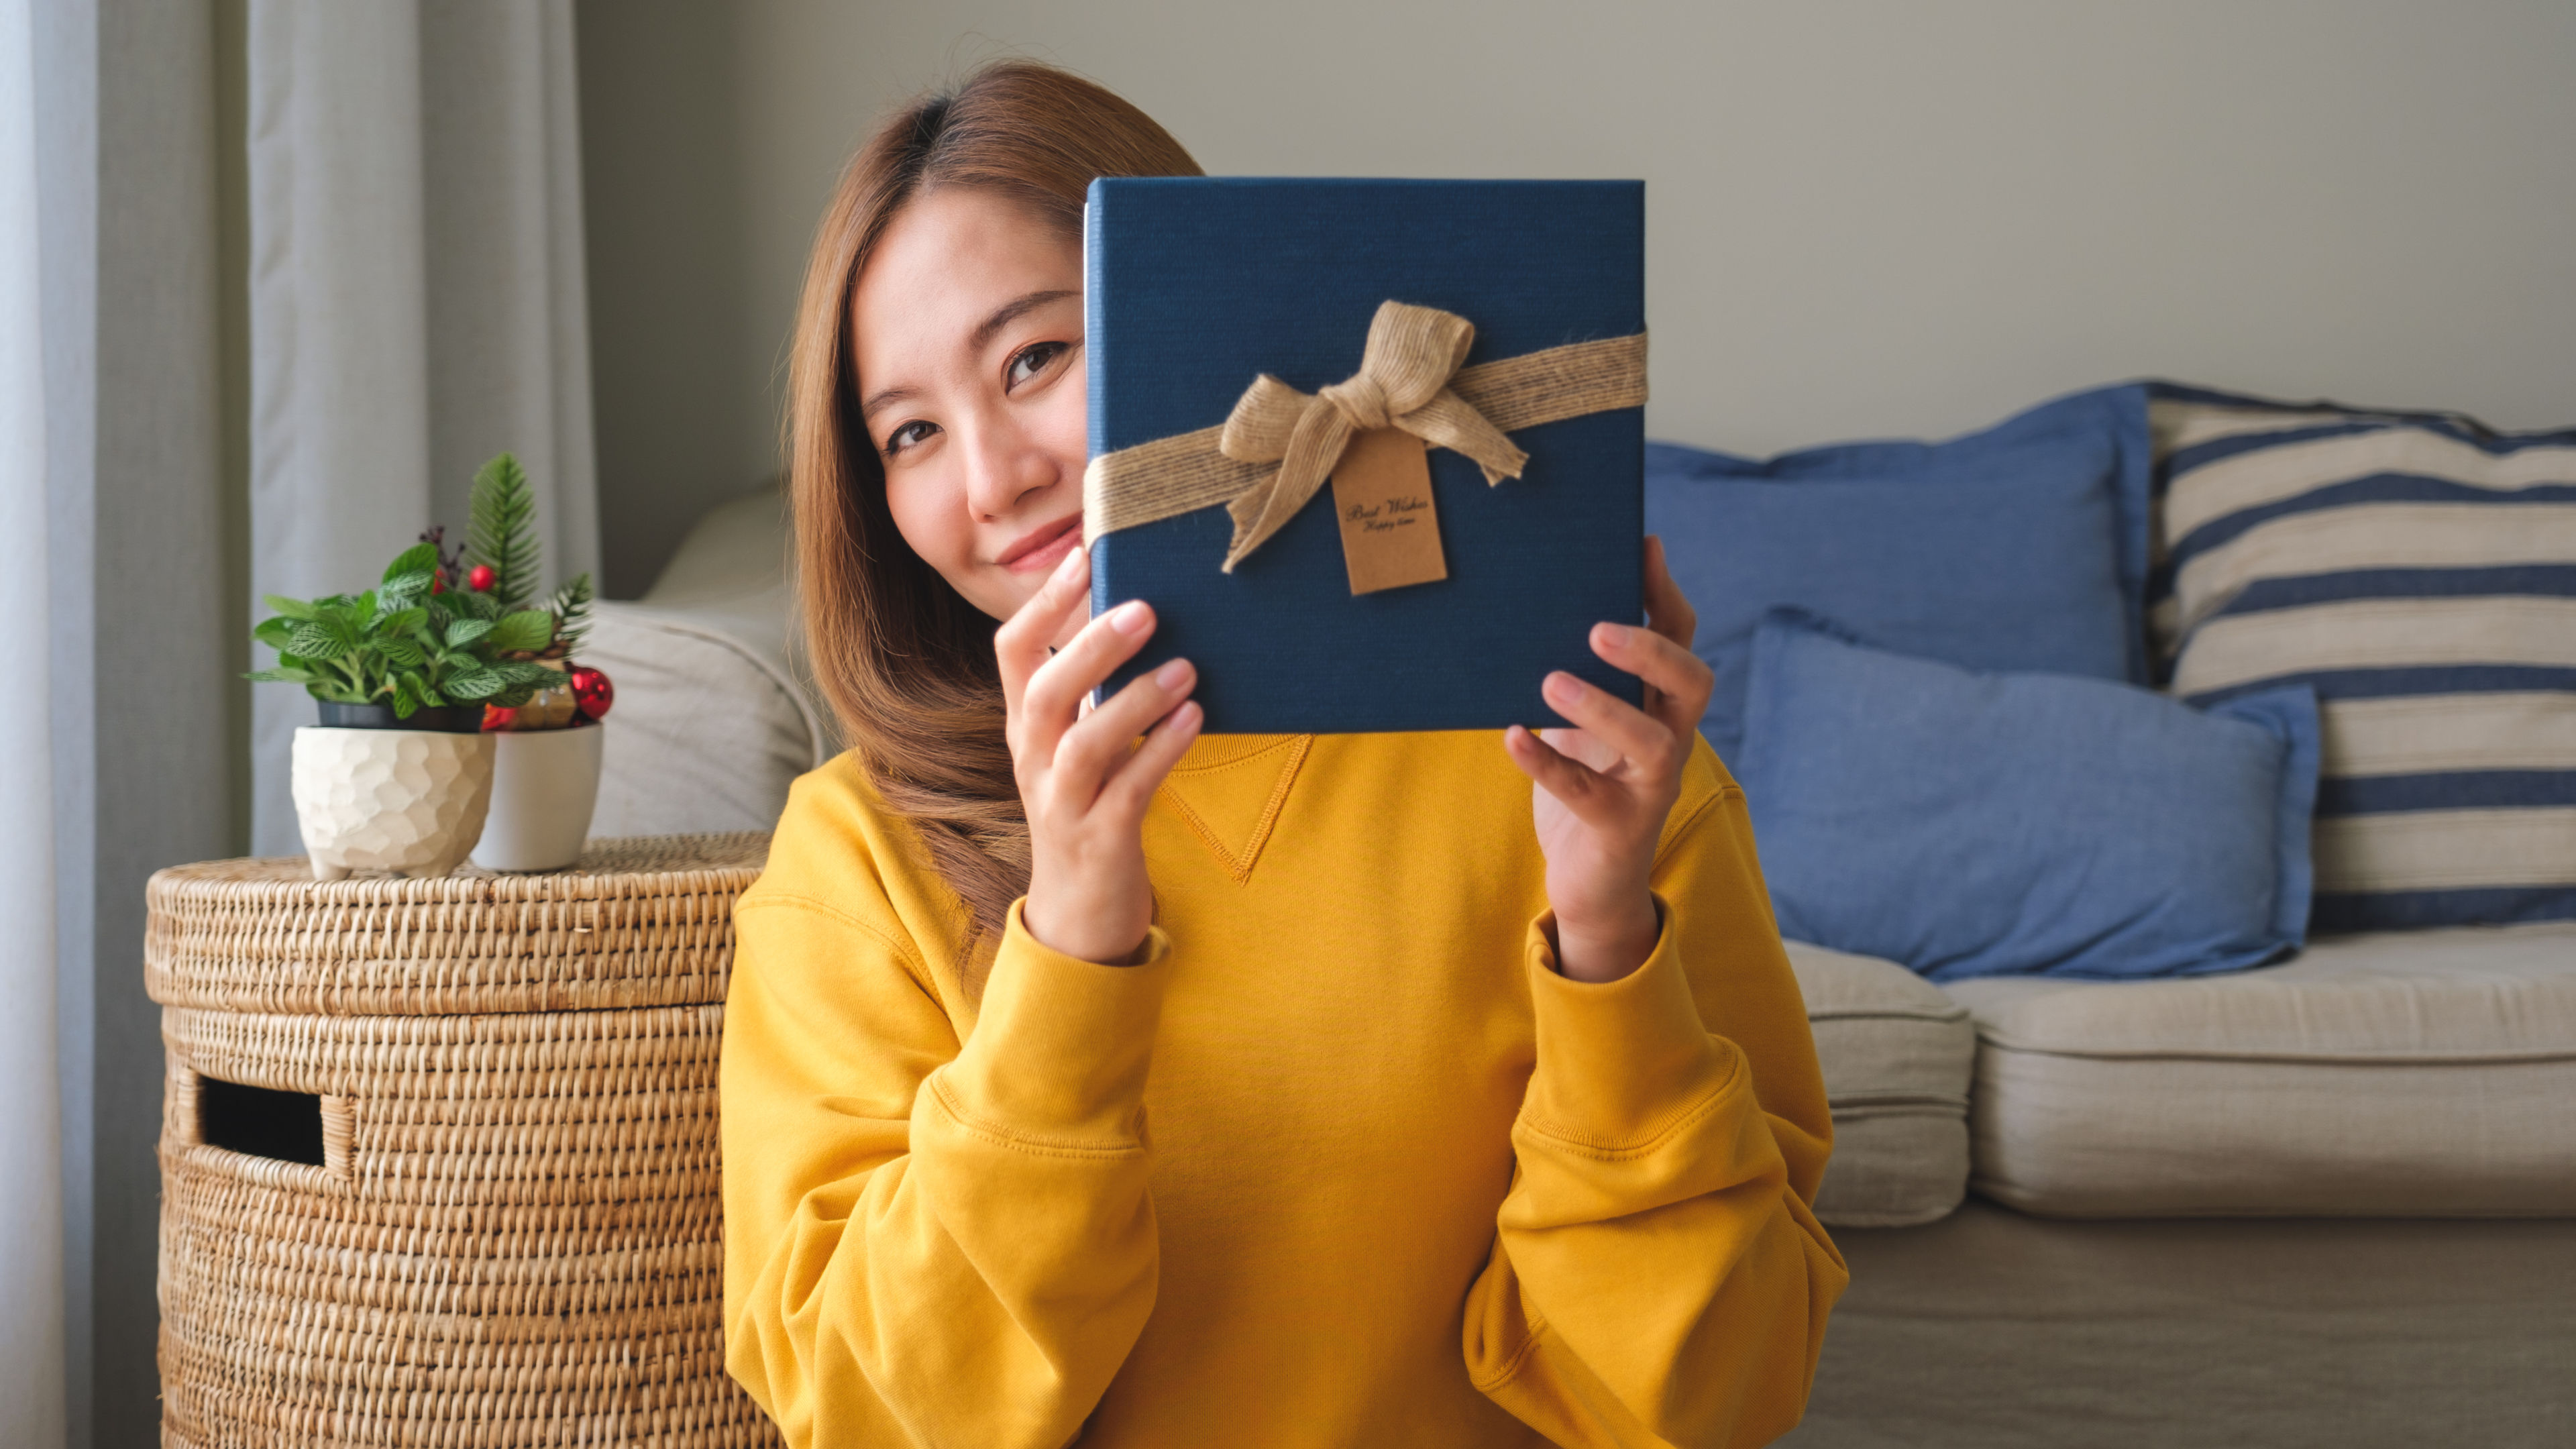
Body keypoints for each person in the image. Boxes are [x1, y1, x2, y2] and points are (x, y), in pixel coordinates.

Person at [720, 59, 1847, 1449]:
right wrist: (1069, 945)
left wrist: (1611, 948)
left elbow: (1711, 1400)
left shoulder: (1584, 772)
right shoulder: (853, 858)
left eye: (1034, 359)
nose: (990, 477)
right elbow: (883, 1416)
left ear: (1206, 317)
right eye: (909, 433)